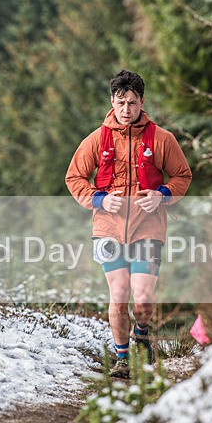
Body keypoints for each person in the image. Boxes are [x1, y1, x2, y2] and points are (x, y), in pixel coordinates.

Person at [66, 70, 192, 377]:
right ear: (112, 101)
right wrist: (99, 200)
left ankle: (142, 334)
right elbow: (74, 178)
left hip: (148, 227)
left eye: (132, 103)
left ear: (141, 102)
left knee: (143, 299)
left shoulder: (162, 139)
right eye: (121, 102)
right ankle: (123, 358)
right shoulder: (98, 139)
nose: (126, 110)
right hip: (107, 228)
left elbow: (182, 176)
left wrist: (162, 195)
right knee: (119, 294)